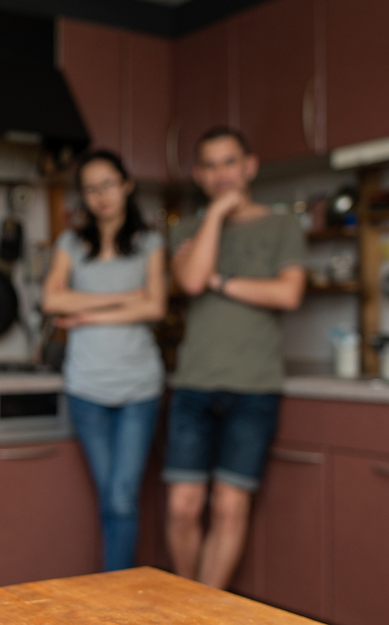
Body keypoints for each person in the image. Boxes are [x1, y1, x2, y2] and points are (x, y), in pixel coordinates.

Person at [165, 127, 305, 589]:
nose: (222, 173)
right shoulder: (187, 229)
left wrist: (222, 283)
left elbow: (288, 293)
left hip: (254, 386)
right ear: (198, 175)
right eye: (211, 165)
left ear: (250, 165)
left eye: (230, 162)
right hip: (194, 384)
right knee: (182, 506)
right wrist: (217, 215)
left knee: (229, 507)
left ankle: (205, 612)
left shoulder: (282, 225)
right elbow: (189, 281)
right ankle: (188, 611)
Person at [41, 150, 166, 571]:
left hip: (139, 387)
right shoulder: (72, 243)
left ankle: (119, 596)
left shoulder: (150, 243)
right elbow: (51, 299)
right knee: (111, 497)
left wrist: (89, 315)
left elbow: (155, 307)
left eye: (108, 184)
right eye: (91, 188)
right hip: (86, 387)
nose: (101, 195)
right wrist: (125, 297)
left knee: (121, 496)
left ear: (127, 185)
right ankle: (116, 592)